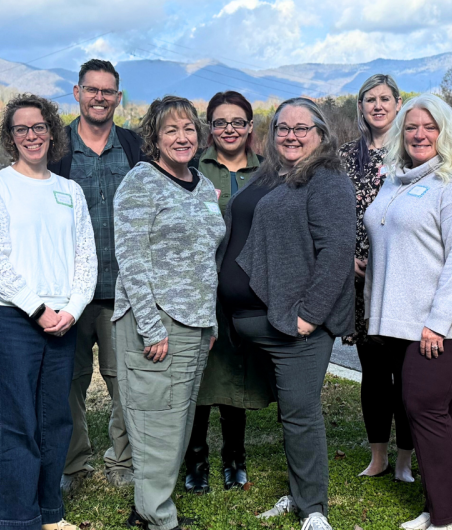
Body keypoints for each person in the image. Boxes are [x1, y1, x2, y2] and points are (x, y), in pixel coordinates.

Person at [365, 94, 452, 530]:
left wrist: (437, 323)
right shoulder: (394, 179)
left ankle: (451, 516)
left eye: (430, 127)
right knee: (438, 408)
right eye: (411, 127)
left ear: (446, 132)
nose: (420, 134)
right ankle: (444, 506)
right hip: (411, 316)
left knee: (421, 402)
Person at [221, 98, 355, 530]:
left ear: (321, 133)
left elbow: (337, 252)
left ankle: (313, 509)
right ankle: (299, 493)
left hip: (294, 324)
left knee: (300, 413)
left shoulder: (327, 180)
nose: (292, 136)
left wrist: (310, 316)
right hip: (253, 319)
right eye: (283, 128)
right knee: (289, 414)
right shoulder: (270, 174)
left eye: (302, 128)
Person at [0, 94, 96, 530]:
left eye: (39, 127)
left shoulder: (70, 191)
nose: (32, 135)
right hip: (15, 320)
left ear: (52, 132)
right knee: (18, 424)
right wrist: (38, 309)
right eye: (21, 129)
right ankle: (12, 519)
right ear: (10, 137)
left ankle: (49, 513)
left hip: (64, 321)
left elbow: (87, 257)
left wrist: (73, 308)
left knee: (55, 422)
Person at [113, 96, 225, 530]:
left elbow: (204, 259)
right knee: (156, 422)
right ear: (154, 138)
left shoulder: (198, 182)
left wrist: (209, 320)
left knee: (177, 420)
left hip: (195, 323)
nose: (182, 138)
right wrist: (150, 325)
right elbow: (132, 258)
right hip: (155, 320)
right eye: (171, 130)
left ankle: (151, 507)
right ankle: (158, 518)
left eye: (189, 129)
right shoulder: (140, 182)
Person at [50, 59, 146, 492]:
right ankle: (73, 465)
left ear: (118, 97)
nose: (100, 97)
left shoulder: (135, 146)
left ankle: (122, 461)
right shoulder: (55, 148)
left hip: (121, 291)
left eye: (108, 91)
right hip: (68, 292)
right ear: (77, 93)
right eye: (93, 89)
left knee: (125, 381)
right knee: (67, 384)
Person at [184, 91, 272, 494]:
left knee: (238, 374)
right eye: (220, 122)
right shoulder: (192, 170)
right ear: (209, 127)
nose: (229, 129)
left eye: (238, 122)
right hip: (201, 290)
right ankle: (195, 459)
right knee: (201, 376)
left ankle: (234, 457)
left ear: (250, 126)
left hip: (248, 291)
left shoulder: (269, 172)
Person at [337, 74, 413, 482]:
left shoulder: (415, 150)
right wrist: (345, 256)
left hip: (402, 275)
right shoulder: (346, 156)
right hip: (360, 281)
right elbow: (333, 212)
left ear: (398, 103)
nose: (378, 106)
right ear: (361, 107)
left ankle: (405, 460)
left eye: (386, 99)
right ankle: (378, 455)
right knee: (374, 371)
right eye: (370, 100)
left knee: (406, 372)